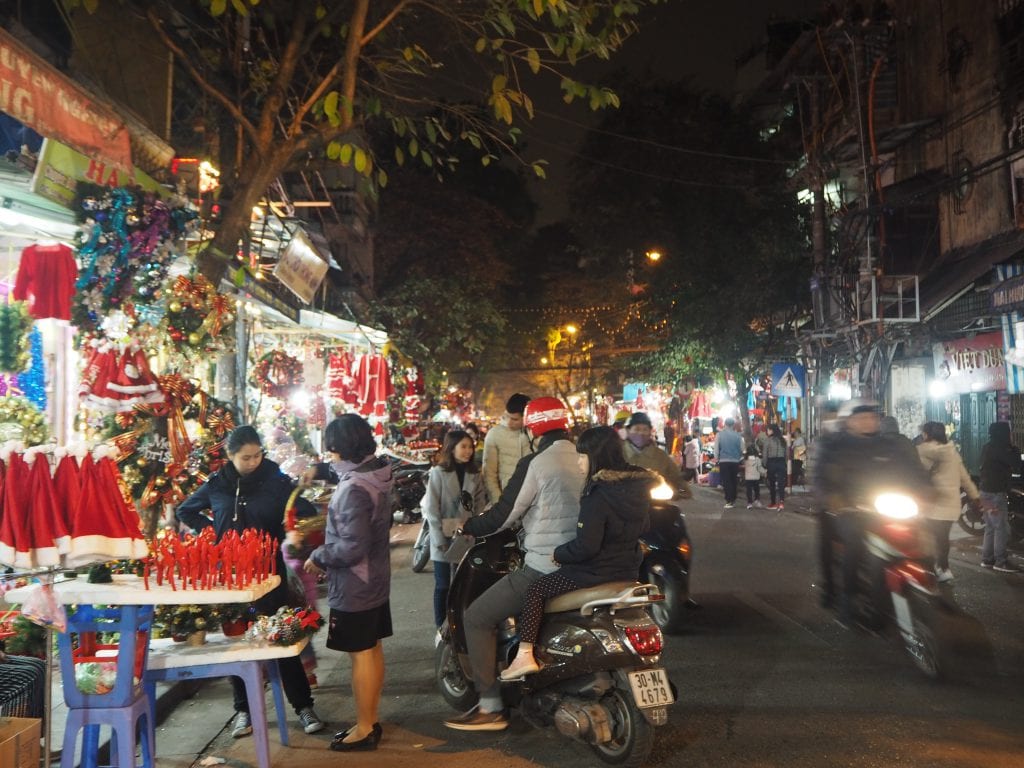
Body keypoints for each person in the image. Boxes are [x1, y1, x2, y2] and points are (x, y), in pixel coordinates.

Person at [444, 396, 584, 732]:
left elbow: (502, 517)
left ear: (533, 429)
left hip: (544, 566)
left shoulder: (536, 463)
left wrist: (469, 526)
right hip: (585, 566)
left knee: (476, 617)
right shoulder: (583, 459)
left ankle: (490, 706)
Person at [176, 425, 324, 738]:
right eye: (246, 457)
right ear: (231, 457)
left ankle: (303, 706)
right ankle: (243, 710)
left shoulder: (276, 481)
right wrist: (214, 535)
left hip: (270, 575)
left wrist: (292, 533)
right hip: (231, 579)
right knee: (238, 644)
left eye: (257, 454)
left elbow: (306, 512)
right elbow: (185, 509)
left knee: (282, 638)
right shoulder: (217, 483)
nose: (253, 461)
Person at [500, 426, 654, 679]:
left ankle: (524, 655)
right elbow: (645, 526)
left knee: (536, 590)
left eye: (582, 456)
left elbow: (586, 546)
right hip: (628, 568)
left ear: (596, 456)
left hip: (593, 572)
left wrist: (559, 554)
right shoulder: (637, 489)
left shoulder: (597, 494)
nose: (579, 461)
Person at [303, 415, 394, 751]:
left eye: (331, 450)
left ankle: (365, 726)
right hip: (375, 578)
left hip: (357, 584)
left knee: (361, 654)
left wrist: (320, 555)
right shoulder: (375, 473)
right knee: (371, 649)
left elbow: (352, 546)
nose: (330, 456)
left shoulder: (355, 488)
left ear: (340, 448)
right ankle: (369, 719)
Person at [813, 400, 931, 627]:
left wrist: (925, 489)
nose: (868, 422)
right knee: (854, 543)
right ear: (851, 422)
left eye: (872, 418)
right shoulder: (837, 446)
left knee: (919, 536)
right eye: (862, 418)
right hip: (852, 511)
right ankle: (848, 599)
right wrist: (832, 497)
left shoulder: (889, 445)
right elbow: (822, 476)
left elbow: (912, 470)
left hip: (886, 509)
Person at [421, 429, 487, 628]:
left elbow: (479, 505)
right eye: (463, 446)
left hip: (466, 535)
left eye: (470, 447)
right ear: (452, 448)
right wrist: (438, 539)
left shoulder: (475, 474)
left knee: (463, 584)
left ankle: (459, 625)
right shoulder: (438, 473)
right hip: (441, 535)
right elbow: (432, 509)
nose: (468, 451)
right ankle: (440, 626)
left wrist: (474, 528)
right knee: (442, 585)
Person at [916, 421, 981, 583]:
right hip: (950, 506)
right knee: (942, 538)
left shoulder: (921, 451)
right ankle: (944, 568)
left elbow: (912, 474)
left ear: (927, 434)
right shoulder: (953, 453)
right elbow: (965, 478)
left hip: (930, 503)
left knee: (927, 537)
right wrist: (975, 496)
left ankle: (929, 569)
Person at [977, 421, 1023, 573]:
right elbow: (1016, 463)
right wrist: (1015, 448)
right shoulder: (1001, 448)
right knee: (1000, 528)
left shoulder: (988, 446)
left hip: (985, 491)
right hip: (996, 493)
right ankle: (1000, 561)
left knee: (990, 527)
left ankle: (987, 559)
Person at [621, 412, 691, 498]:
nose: (641, 433)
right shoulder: (617, 454)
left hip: (655, 504)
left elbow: (677, 479)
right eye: (637, 429)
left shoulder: (661, 456)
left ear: (650, 432)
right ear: (628, 431)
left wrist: (680, 492)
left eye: (645, 429)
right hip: (623, 504)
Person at [481, 393, 533, 504]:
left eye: (515, 419)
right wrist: (498, 502)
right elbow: (489, 474)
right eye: (508, 416)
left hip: (531, 501)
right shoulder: (494, 434)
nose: (509, 422)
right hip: (505, 500)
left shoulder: (534, 435)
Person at [714, 418, 744, 508]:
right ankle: (733, 498)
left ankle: (729, 500)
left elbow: (716, 448)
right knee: (734, 480)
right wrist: (739, 457)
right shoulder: (738, 436)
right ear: (733, 425)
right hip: (735, 461)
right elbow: (742, 449)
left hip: (724, 460)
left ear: (725, 424)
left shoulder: (719, 435)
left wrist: (716, 458)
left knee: (726, 481)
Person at [761, 423, 788, 509]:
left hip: (771, 462)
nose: (767, 431)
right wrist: (785, 463)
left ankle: (773, 502)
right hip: (781, 462)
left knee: (771, 483)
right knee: (781, 483)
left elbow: (765, 454)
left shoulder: (768, 440)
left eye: (768, 430)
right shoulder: (782, 440)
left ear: (771, 430)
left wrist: (764, 464)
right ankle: (781, 502)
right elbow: (786, 454)